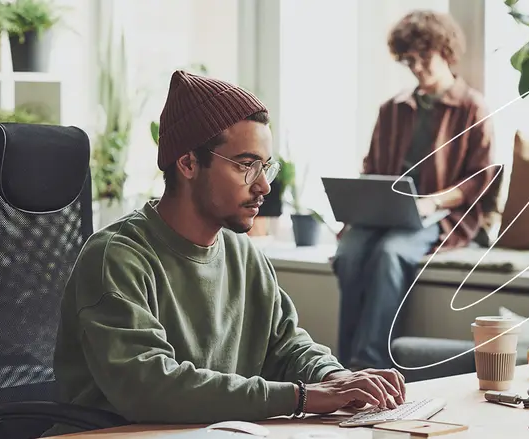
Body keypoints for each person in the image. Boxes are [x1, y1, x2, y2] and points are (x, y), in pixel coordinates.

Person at [45, 71, 406, 436]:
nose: (264, 184)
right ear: (187, 163)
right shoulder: (116, 257)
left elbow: (285, 345)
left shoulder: (242, 253)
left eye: (265, 166)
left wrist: (338, 380)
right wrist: (302, 397)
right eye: (246, 165)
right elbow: (149, 388)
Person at [333, 10, 498, 370]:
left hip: (439, 215)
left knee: (390, 254)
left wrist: (431, 202)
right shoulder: (391, 109)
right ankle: (341, 366)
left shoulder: (471, 107)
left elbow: (480, 178)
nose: (418, 68)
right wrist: (359, 209)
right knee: (348, 253)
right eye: (410, 60)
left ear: (445, 52)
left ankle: (370, 362)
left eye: (425, 58)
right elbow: (372, 168)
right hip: (385, 211)